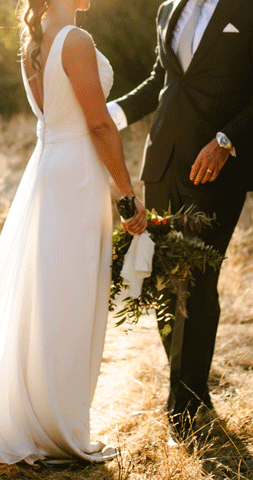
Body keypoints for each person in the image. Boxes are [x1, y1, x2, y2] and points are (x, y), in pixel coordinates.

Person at [0, 0, 146, 465]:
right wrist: (126, 194)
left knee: (44, 299)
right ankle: (54, 428)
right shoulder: (75, 40)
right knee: (69, 301)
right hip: (75, 177)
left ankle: (37, 415)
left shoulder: (34, 40)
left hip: (49, 172)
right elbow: (97, 124)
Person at [107, 0, 253, 443]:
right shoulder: (170, 7)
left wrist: (225, 141)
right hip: (162, 162)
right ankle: (192, 395)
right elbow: (160, 81)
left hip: (215, 167)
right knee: (167, 279)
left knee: (197, 280)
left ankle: (183, 411)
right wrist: (105, 116)